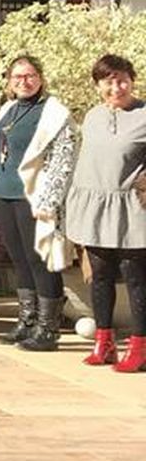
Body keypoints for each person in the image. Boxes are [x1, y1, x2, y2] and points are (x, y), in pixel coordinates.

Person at [0, 55, 75, 353]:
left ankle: (48, 328)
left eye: (30, 76)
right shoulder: (8, 109)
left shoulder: (54, 113)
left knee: (40, 260)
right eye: (17, 77)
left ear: (40, 78)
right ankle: (27, 321)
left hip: (35, 198)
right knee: (19, 259)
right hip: (4, 194)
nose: (24, 81)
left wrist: (50, 200)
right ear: (9, 81)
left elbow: (64, 159)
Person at [65, 54, 146, 371]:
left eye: (122, 80)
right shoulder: (93, 116)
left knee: (135, 277)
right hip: (94, 206)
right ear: (98, 85)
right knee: (99, 276)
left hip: (131, 209)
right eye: (108, 82)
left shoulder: (143, 115)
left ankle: (139, 348)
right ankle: (104, 343)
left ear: (132, 81)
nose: (116, 88)